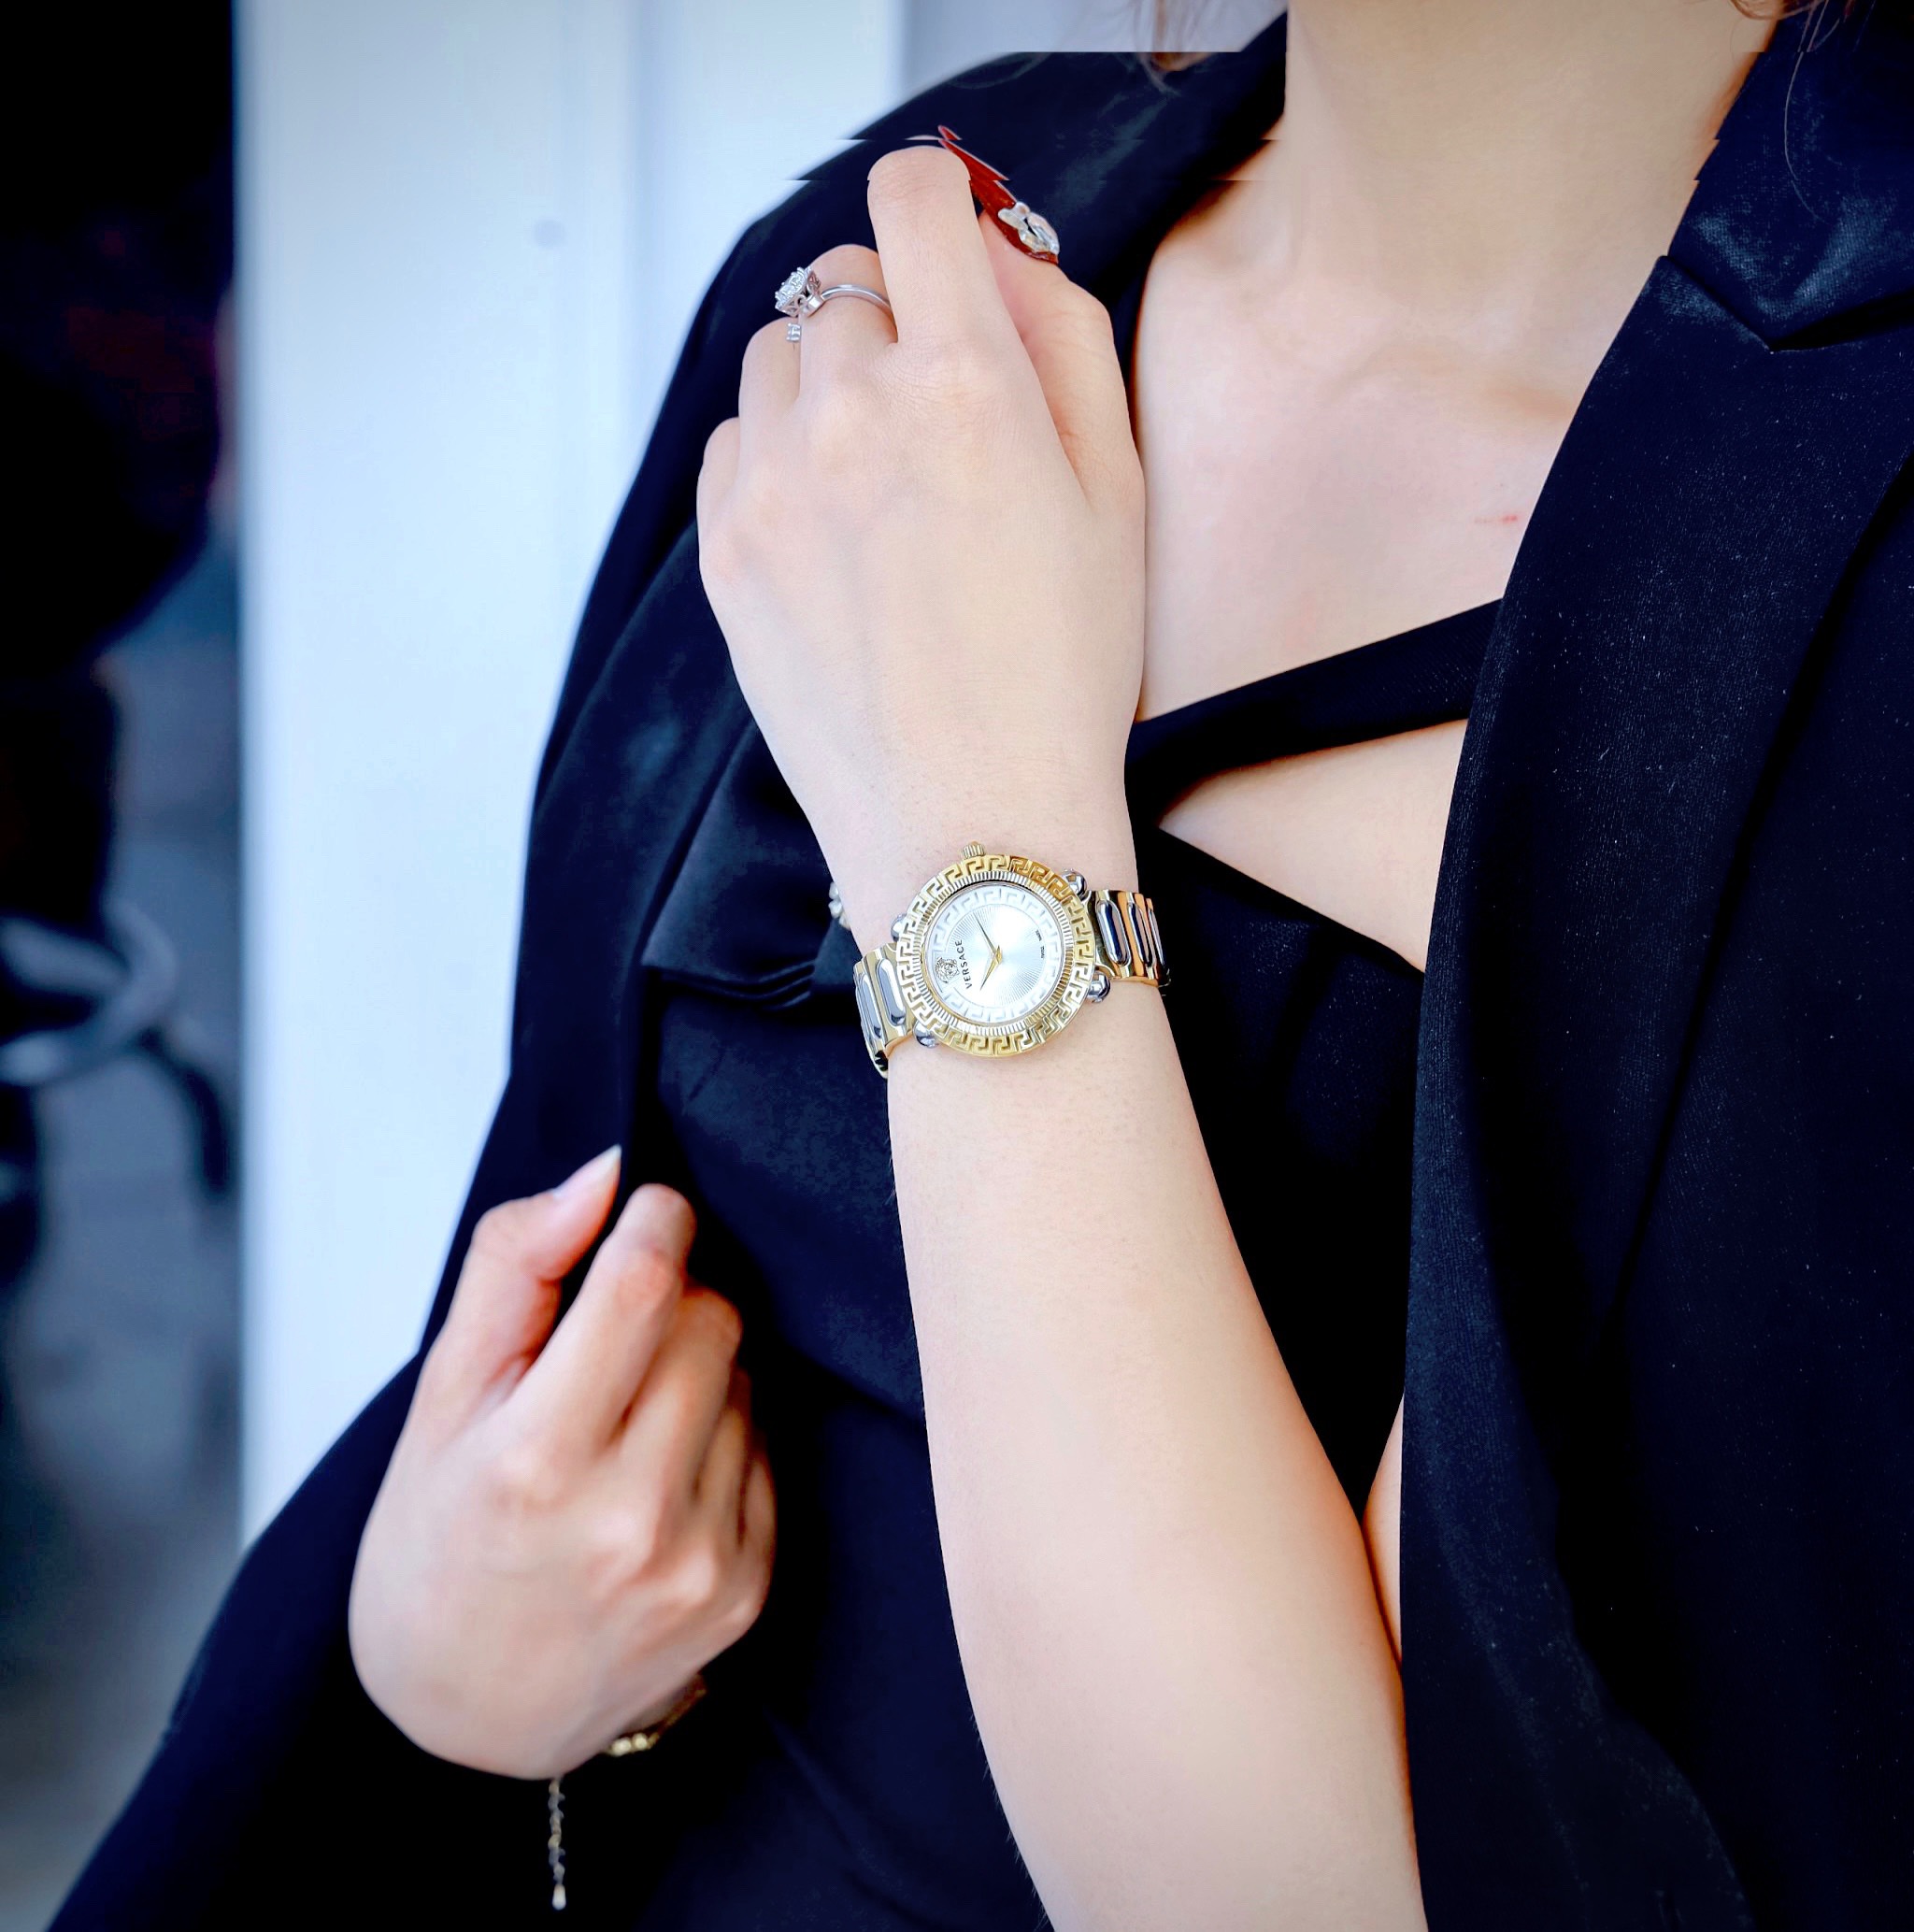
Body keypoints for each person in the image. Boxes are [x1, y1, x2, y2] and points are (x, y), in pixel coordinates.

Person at [59, 4, 1914, 1926]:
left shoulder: (1854, 587)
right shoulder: (928, 264)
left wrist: (974, 830)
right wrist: (443, 1667)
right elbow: (564, 1259)